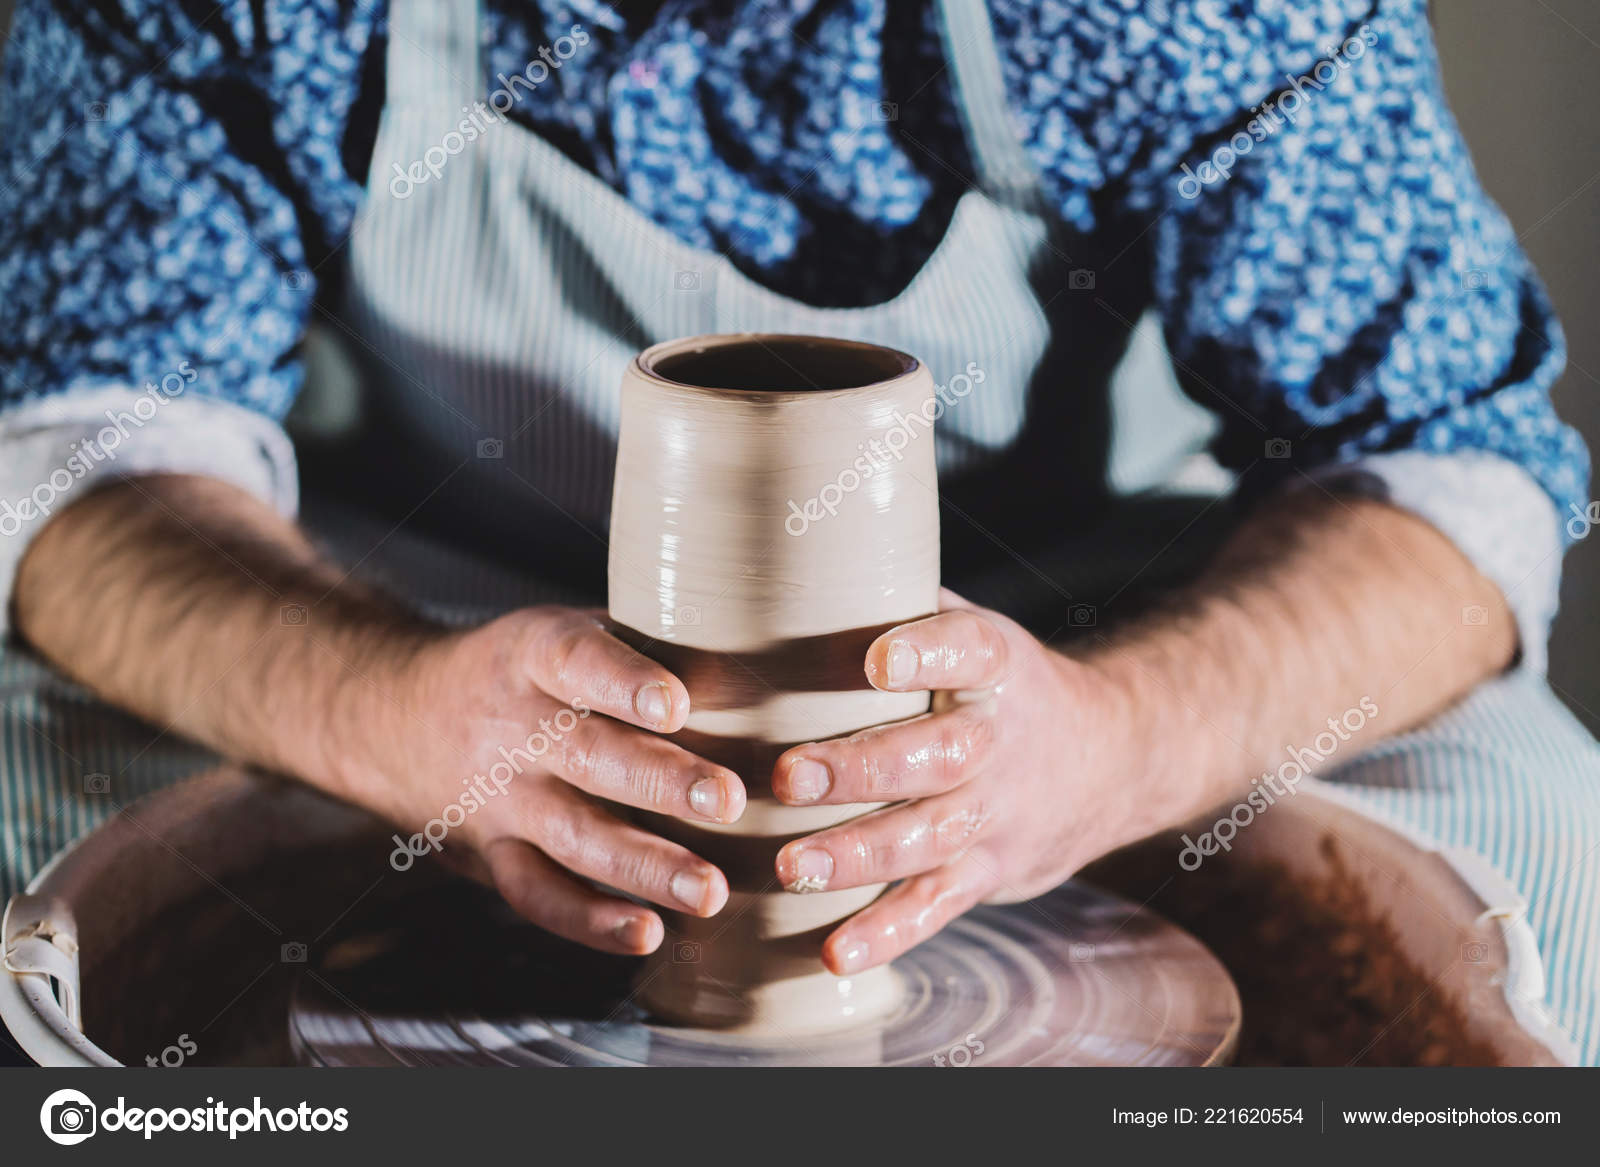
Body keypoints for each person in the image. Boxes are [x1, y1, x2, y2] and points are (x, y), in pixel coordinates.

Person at [1, 0, 1595, 1064]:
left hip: (1086, 635)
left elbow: (1453, 466)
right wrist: (382, 712)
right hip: (413, 617)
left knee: (1537, 869)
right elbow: (82, 437)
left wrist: (1125, 741)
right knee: (39, 855)